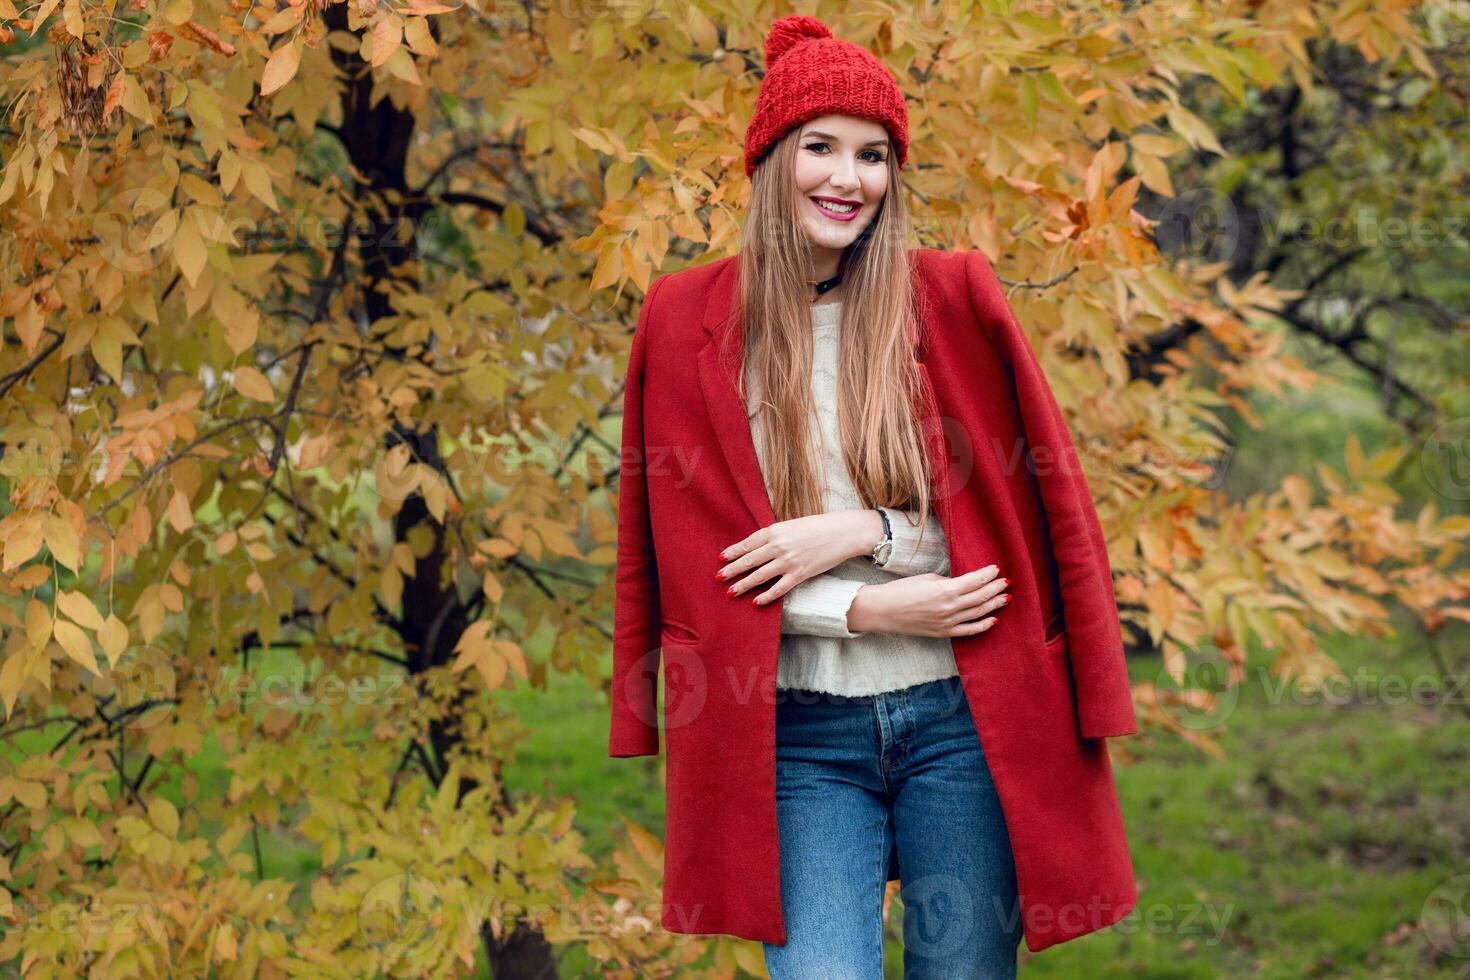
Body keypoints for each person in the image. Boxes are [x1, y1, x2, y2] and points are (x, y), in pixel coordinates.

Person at [725, 14, 1024, 978]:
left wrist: (867, 533)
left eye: (873, 155)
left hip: (957, 719)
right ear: (773, 158)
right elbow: (705, 566)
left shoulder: (945, 304)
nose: (846, 179)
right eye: (820, 147)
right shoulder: (701, 329)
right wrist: (860, 605)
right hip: (798, 734)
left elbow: (1004, 533)